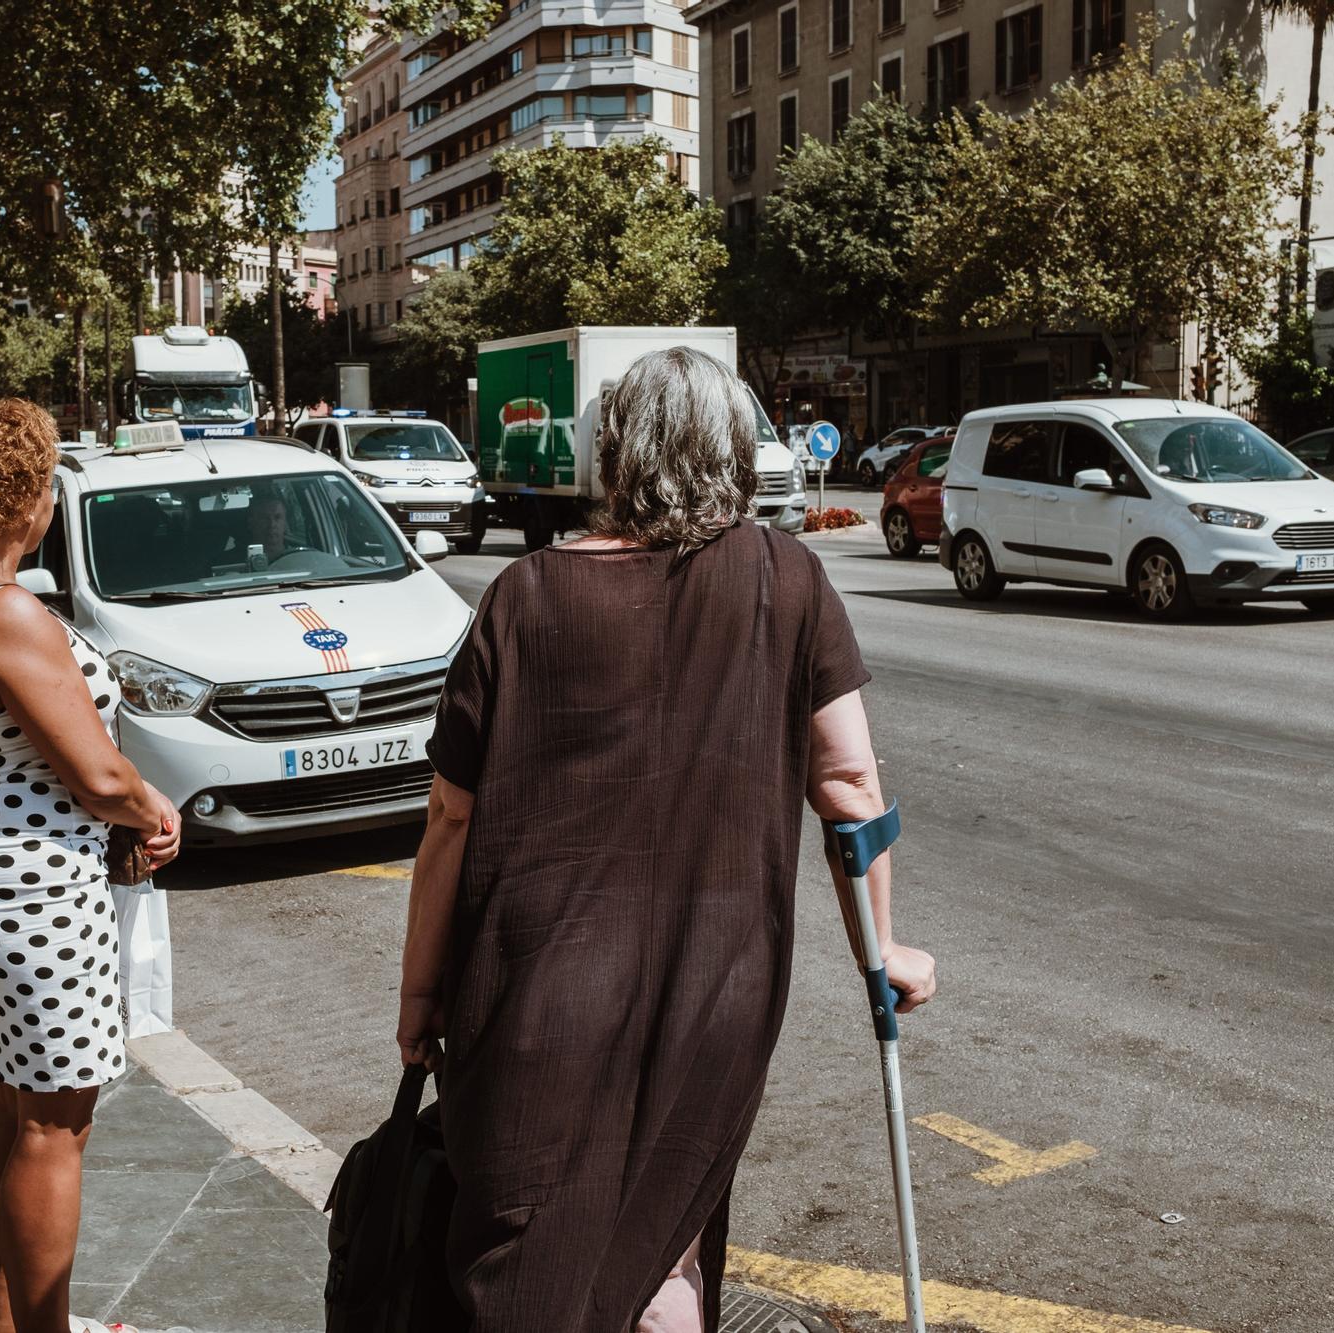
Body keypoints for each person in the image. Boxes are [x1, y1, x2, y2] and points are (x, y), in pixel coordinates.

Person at [396, 347, 937, 1333]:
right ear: (734, 453)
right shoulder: (787, 577)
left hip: (535, 999)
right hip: (718, 991)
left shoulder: (522, 596)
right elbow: (848, 785)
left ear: (615, 452)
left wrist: (420, 993)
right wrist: (881, 952)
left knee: (522, 1264)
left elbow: (449, 818)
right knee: (663, 1248)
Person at [0, 397, 180, 1333]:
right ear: (26, 494)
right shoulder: (6, 608)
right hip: (36, 882)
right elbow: (98, 772)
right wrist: (153, 807)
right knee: (58, 1121)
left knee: (17, 1105)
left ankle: (6, 1319)